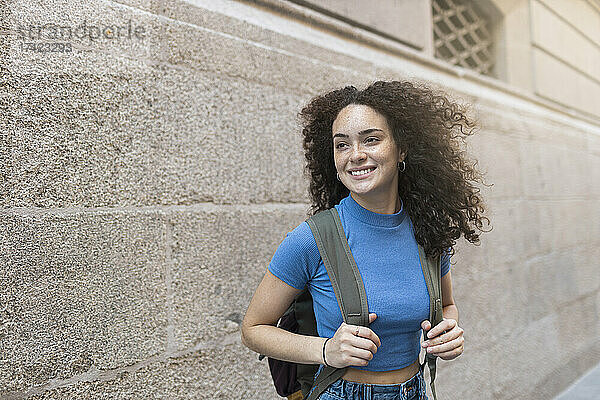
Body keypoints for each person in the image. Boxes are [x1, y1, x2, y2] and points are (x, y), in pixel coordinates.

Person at [241, 80, 490, 400]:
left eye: (371, 140)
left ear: (402, 148)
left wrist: (449, 331)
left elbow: (449, 305)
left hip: (416, 391)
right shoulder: (312, 239)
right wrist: (327, 350)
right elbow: (254, 329)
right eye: (341, 144)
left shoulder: (429, 231)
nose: (355, 155)